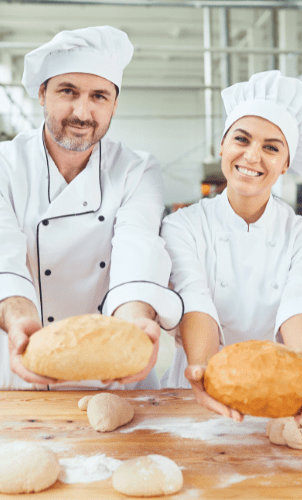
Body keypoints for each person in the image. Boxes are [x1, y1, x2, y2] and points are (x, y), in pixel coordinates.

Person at [0, 26, 183, 390]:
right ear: (42, 94)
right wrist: (20, 321)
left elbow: (139, 245)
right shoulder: (5, 164)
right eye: (68, 92)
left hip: (112, 372)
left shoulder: (136, 169)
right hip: (20, 366)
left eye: (99, 96)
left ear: (115, 103)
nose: (82, 112)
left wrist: (136, 320)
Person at [161, 70, 302, 420]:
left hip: (279, 397)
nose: (252, 156)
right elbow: (193, 295)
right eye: (241, 140)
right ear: (223, 146)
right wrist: (204, 370)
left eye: (271, 147)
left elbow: (300, 302)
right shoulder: (182, 226)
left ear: (286, 163)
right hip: (192, 395)